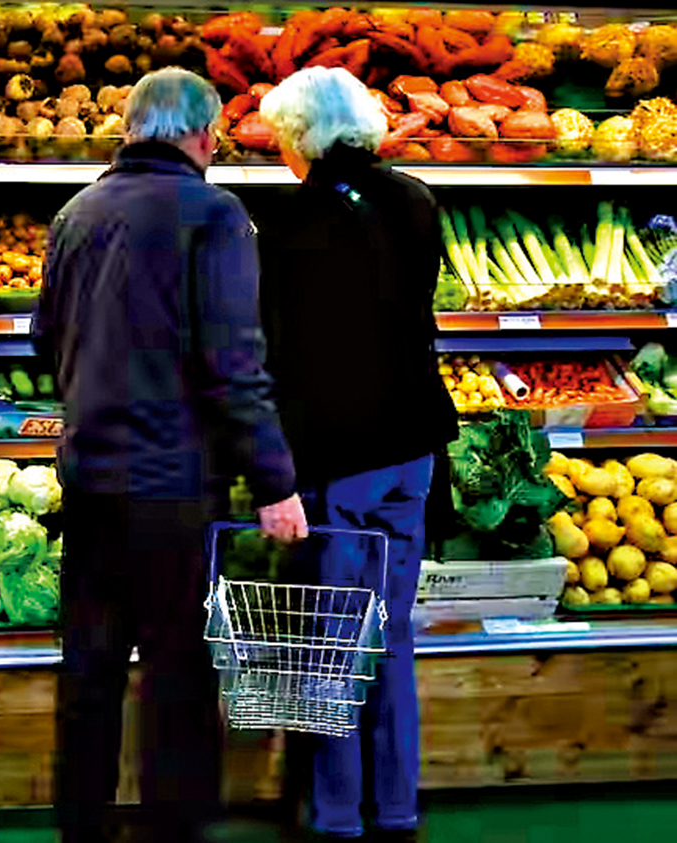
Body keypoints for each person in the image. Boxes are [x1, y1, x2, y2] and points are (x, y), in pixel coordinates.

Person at [32, 67, 308, 843]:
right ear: (203, 135)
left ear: (129, 129)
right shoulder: (214, 214)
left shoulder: (76, 212)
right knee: (177, 672)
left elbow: (45, 337)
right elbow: (235, 361)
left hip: (90, 477)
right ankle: (170, 831)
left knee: (88, 666)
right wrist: (275, 482)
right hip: (172, 487)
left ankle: (81, 828)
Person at [253, 67, 459, 842]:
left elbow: (287, 353)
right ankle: (397, 807)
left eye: (282, 138)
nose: (281, 152)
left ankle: (338, 815)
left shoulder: (295, 220)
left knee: (334, 638)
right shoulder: (414, 197)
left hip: (342, 454)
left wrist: (280, 470)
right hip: (413, 446)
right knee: (392, 633)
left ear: (304, 136)